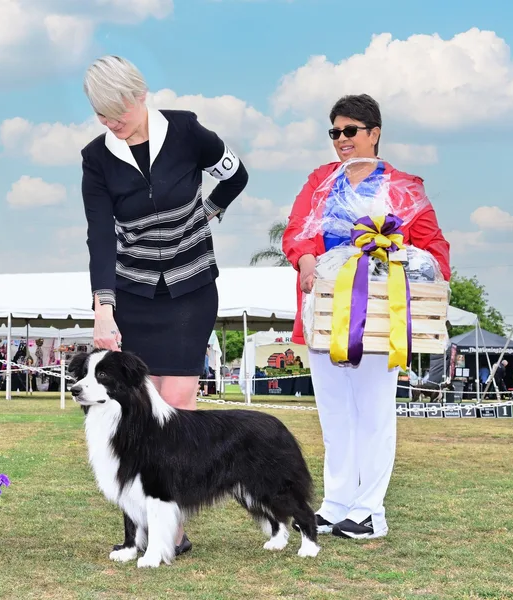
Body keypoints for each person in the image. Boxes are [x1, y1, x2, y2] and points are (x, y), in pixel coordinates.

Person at [80, 55, 249, 556]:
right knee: (132, 412)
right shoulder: (96, 157)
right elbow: (100, 238)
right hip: (133, 294)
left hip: (190, 292)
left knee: (176, 408)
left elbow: (236, 176)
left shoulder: (189, 132)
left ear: (141, 96)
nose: (113, 124)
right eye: (102, 116)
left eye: (119, 113)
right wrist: (103, 307)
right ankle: (140, 530)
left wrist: (208, 212)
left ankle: (169, 527)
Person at [282, 94, 450, 539]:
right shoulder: (320, 180)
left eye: (350, 131)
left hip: (379, 316)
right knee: (335, 414)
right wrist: (303, 259)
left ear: (374, 133)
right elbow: (297, 231)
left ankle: (370, 510)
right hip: (325, 314)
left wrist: (400, 257)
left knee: (373, 413)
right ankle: (337, 503)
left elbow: (435, 250)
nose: (342, 140)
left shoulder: (404, 187)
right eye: (335, 132)